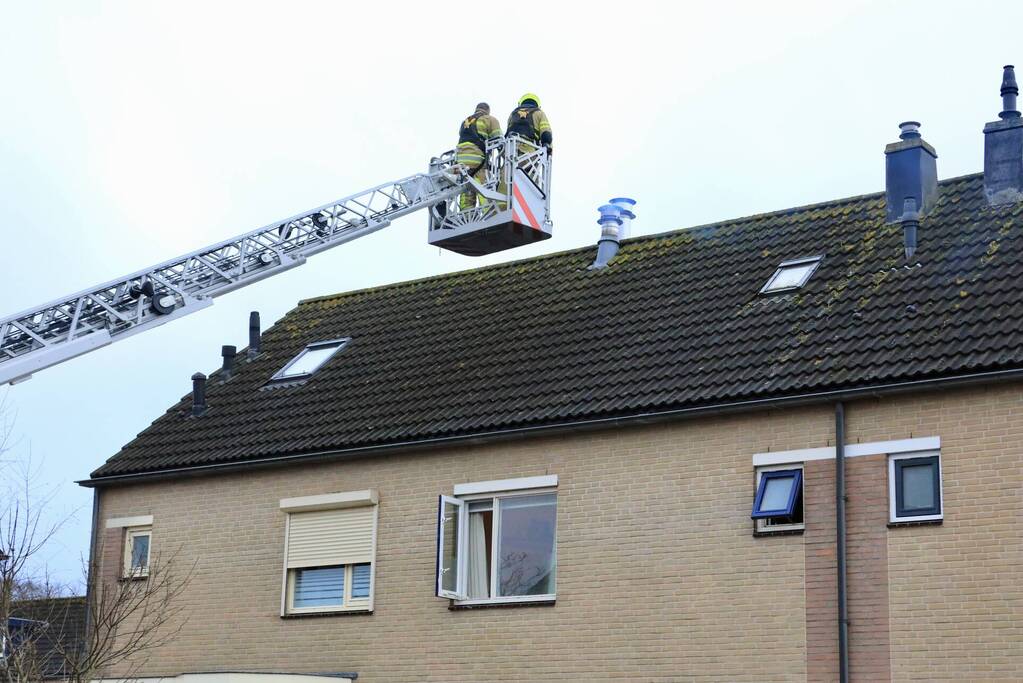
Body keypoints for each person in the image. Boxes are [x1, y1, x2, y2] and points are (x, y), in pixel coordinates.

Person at [456, 102, 502, 210]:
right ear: (488, 111)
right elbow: (499, 141)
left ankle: (466, 218)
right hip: (478, 162)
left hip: (461, 164)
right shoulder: (490, 119)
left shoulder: (465, 122)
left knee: (467, 193)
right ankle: (488, 216)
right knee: (484, 191)